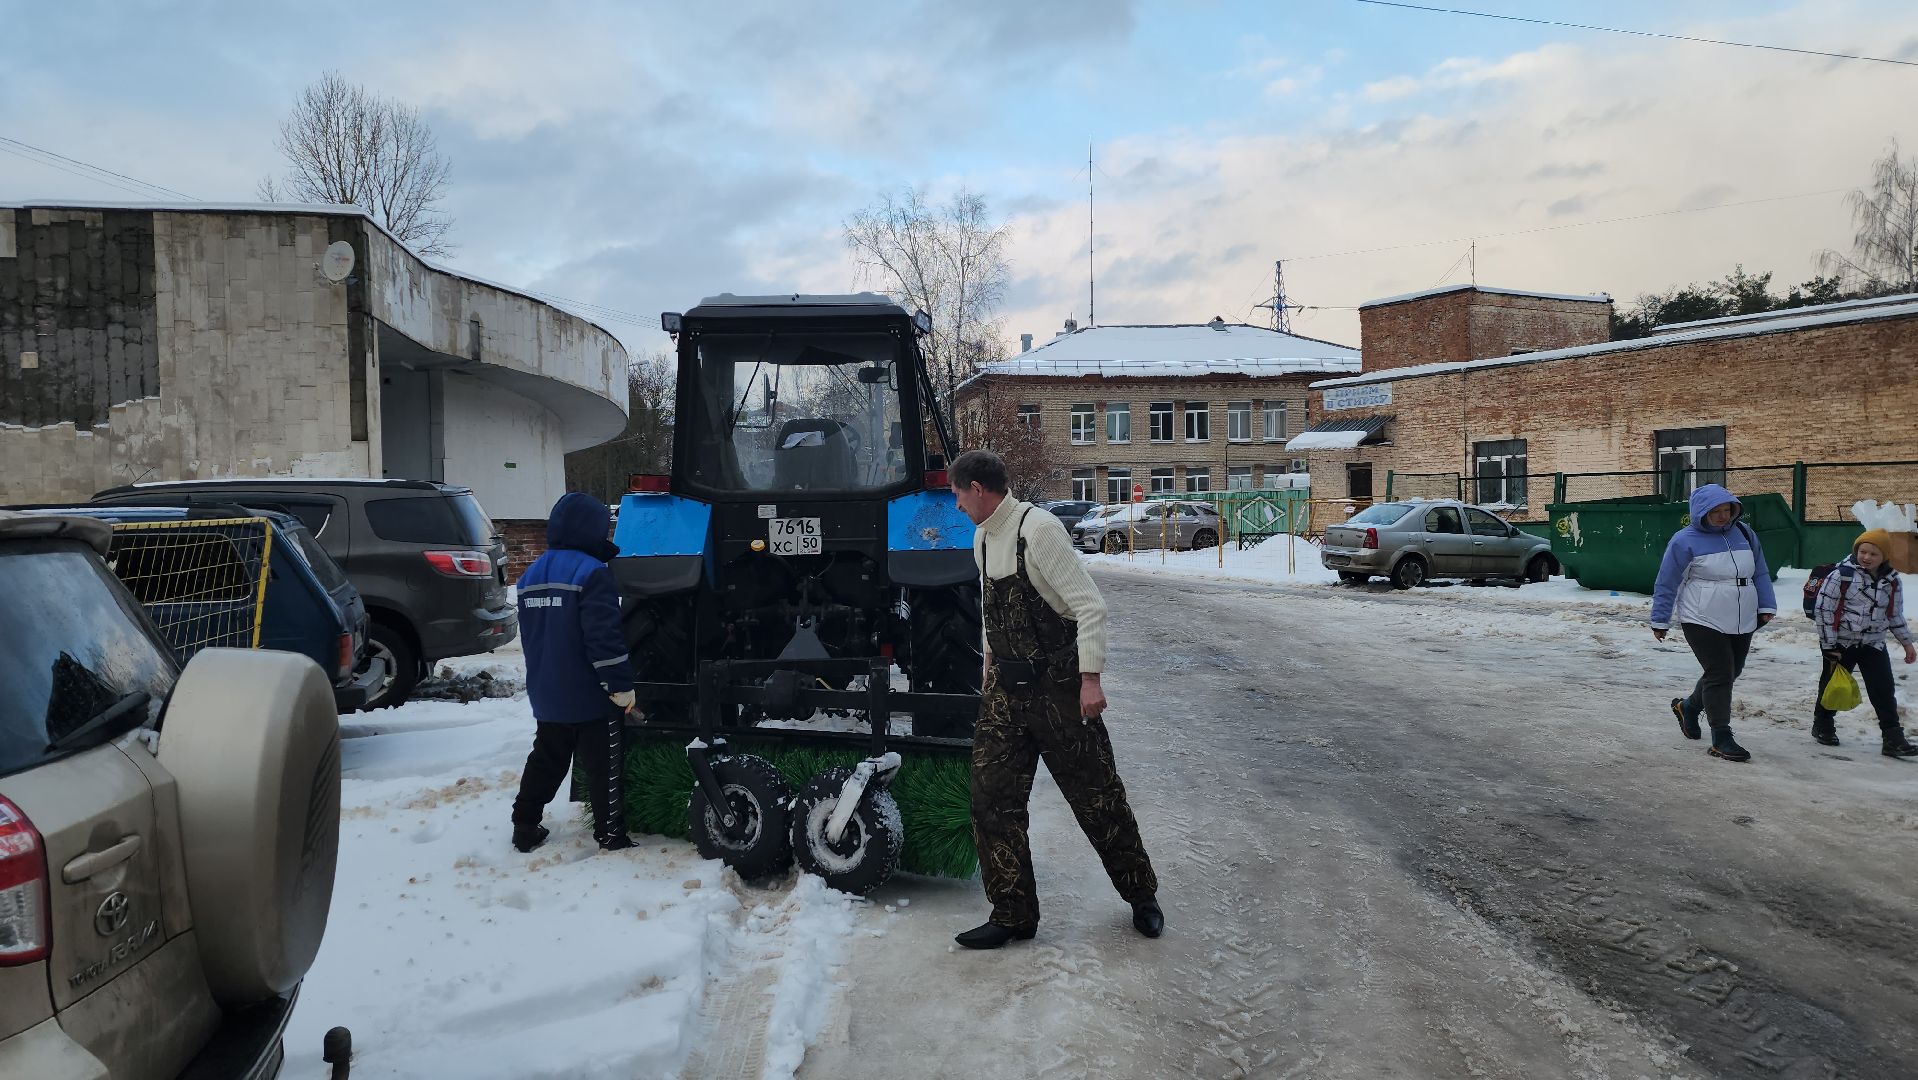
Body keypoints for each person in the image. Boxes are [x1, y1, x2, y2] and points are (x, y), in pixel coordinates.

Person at [947, 449, 1161, 949]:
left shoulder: (1038, 530)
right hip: (1006, 692)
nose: (955, 505)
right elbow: (989, 609)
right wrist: (988, 661)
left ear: (978, 489)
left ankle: (1142, 896)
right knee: (991, 800)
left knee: (1098, 798)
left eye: (958, 493)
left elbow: (1091, 608)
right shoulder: (982, 538)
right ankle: (1013, 914)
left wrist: (1091, 680)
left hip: (1059, 690)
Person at [509, 491, 637, 852]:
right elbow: (603, 639)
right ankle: (611, 834)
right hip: (590, 695)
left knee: (546, 758)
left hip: (547, 691)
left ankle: (525, 823)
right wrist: (620, 686)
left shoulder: (531, 574)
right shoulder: (592, 573)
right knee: (604, 766)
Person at [1650, 484, 1777, 762]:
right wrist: (1660, 619)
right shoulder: (1684, 540)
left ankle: (1689, 707)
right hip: (1701, 616)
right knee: (1720, 671)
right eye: (1715, 511)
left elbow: (1761, 570)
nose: (1723, 516)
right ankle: (1722, 737)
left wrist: (1767, 604)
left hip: (1742, 615)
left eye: (1727, 510)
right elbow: (1667, 581)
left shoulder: (1744, 533)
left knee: (1731, 670)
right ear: (1700, 512)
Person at [1810, 529, 1917, 756]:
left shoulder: (1892, 581)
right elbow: (1824, 610)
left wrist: (1907, 643)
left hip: (1874, 644)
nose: (1866, 557)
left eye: (1873, 554)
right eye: (1863, 551)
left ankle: (1892, 738)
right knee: (1832, 685)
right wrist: (1829, 645)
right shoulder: (1842, 575)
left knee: (1883, 689)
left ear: (1885, 556)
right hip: (1842, 643)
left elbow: (1894, 614)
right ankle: (1823, 724)